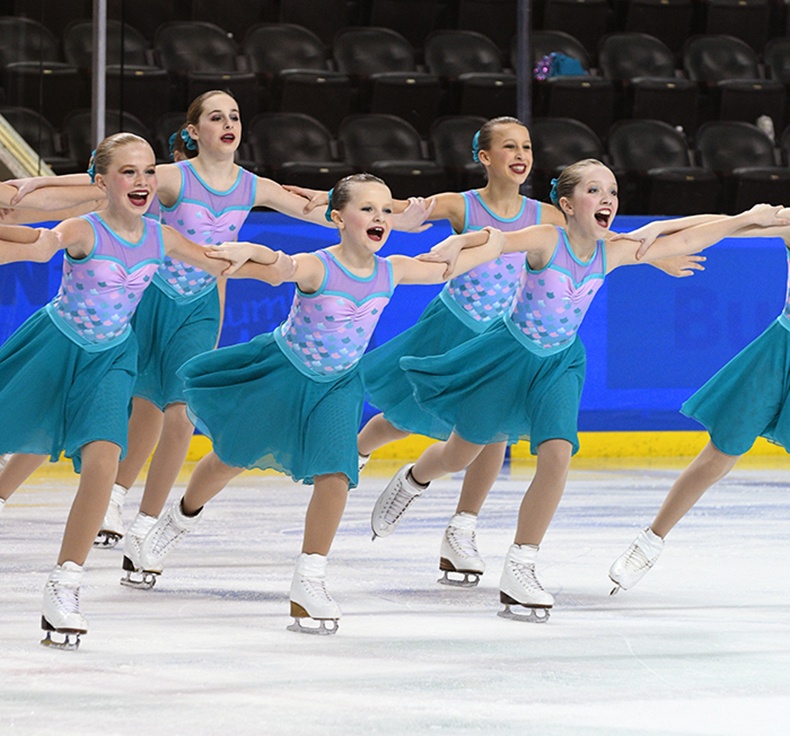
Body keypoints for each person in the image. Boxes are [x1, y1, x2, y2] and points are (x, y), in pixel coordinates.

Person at [4, 90, 430, 569]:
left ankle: (147, 523)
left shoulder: (253, 186)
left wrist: (392, 209)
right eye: (215, 116)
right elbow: (92, 187)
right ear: (194, 131)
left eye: (234, 116)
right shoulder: (168, 176)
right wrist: (32, 184)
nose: (228, 123)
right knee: (137, 403)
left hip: (200, 303)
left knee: (180, 409)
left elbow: (331, 207)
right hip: (148, 293)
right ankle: (114, 496)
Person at [367, 159, 788, 623]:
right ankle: (416, 479)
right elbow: (499, 240)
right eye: (594, 190)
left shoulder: (612, 251)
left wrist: (747, 218)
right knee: (458, 454)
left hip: (561, 363)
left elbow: (683, 238)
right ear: (567, 204)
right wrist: (461, 241)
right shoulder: (549, 239)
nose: (607, 199)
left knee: (557, 455)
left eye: (612, 190)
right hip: (508, 355)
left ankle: (521, 566)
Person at [289, 118, 703, 588]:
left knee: (493, 434)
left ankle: (461, 528)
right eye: (508, 146)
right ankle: (364, 452)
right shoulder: (460, 205)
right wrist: (328, 202)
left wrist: (658, 254)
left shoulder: (548, 215)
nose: (520, 153)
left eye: (526, 145)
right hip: (454, 324)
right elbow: (397, 212)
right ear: (485, 157)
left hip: (504, 336)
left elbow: (599, 240)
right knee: (407, 414)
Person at [127, 173, 506, 635]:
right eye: (366, 209)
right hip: (284, 376)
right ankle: (180, 517)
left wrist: (488, 238)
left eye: (386, 210)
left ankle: (309, 578)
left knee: (336, 476)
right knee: (230, 458)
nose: (379, 218)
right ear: (337, 218)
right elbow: (281, 265)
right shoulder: (318, 266)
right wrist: (250, 251)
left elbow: (450, 268)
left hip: (337, 386)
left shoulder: (393, 269)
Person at [0, 132, 295, 648]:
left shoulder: (161, 238)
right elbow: (36, 244)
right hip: (57, 345)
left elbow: (219, 261)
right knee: (18, 433)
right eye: (127, 172)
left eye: (147, 172)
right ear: (102, 182)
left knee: (103, 459)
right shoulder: (82, 229)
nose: (141, 181)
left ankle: (64, 584)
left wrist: (268, 258)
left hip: (112, 357)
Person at [608, 213, 790, 594]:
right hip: (778, 356)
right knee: (721, 453)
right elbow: (734, 224)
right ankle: (650, 541)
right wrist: (661, 228)